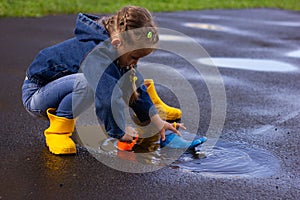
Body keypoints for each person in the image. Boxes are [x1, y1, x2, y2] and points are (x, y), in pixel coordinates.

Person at [22, 5, 183, 155]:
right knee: (88, 83)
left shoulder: (118, 48)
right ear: (117, 43)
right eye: (134, 57)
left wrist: (156, 121)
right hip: (36, 94)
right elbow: (107, 97)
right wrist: (120, 131)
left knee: (124, 76)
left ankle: (66, 117)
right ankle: (57, 132)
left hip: (59, 88)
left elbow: (134, 84)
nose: (136, 62)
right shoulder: (96, 54)